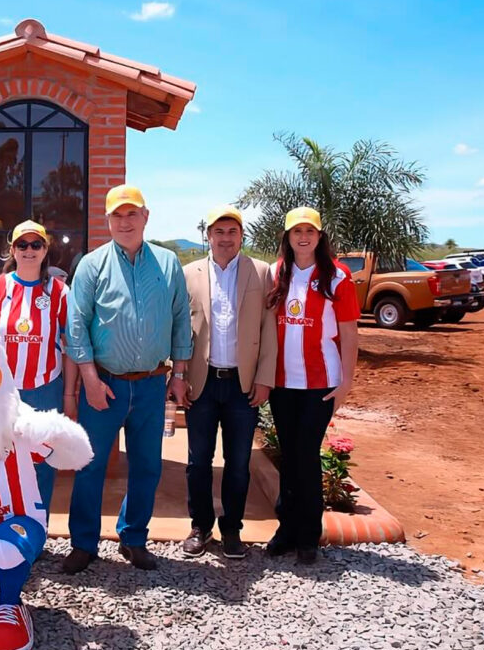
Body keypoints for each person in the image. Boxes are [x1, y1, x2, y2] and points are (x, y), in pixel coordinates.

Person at [64, 184, 192, 573]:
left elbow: (181, 319)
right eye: (117, 215)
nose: (125, 221)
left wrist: (180, 374)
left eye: (131, 213)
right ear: (107, 220)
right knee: (90, 465)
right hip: (104, 384)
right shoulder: (91, 265)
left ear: (146, 216)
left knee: (147, 466)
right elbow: (76, 325)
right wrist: (88, 377)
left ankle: (134, 537)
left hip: (153, 384)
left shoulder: (168, 264)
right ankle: (84, 544)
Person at [180, 206, 277, 559]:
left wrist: (265, 378)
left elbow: (270, 331)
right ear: (208, 236)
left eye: (231, 232)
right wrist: (177, 376)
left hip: (242, 385)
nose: (225, 238)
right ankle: (200, 526)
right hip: (201, 384)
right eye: (218, 232)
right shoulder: (189, 273)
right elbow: (179, 330)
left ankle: (232, 528)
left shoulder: (261, 273)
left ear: (242, 236)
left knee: (237, 462)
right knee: (198, 461)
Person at [265, 207, 360, 565]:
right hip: (281, 383)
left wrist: (346, 382)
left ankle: (308, 534)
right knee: (288, 456)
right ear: (287, 237)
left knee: (305, 454)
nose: (303, 237)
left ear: (320, 236)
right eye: (296, 231)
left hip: (320, 383)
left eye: (310, 231)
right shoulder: (276, 273)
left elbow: (350, 332)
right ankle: (285, 530)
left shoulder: (337, 276)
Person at [0, 220, 78, 521]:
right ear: (12, 249)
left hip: (44, 388)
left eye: (36, 244)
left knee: (41, 462)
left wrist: (69, 394)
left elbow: (72, 346)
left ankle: (35, 528)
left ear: (46, 249)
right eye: (22, 244)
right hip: (3, 392)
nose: (29, 250)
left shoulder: (59, 291)